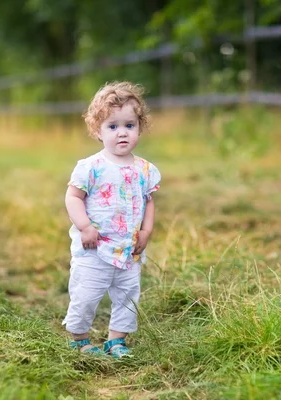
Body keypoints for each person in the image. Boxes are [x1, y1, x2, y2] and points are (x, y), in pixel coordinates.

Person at [62, 81, 161, 358]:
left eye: (129, 126)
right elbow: (73, 197)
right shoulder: (91, 167)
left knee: (128, 294)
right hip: (95, 247)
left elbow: (148, 200)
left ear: (139, 128)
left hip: (128, 248)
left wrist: (146, 230)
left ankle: (117, 340)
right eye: (112, 126)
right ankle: (79, 339)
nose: (122, 133)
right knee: (86, 294)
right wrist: (85, 226)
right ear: (98, 130)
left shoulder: (145, 169)